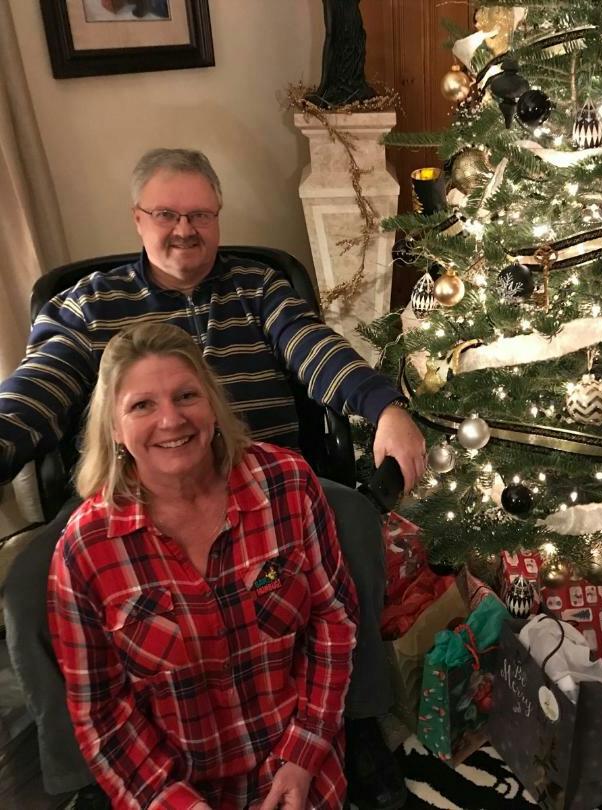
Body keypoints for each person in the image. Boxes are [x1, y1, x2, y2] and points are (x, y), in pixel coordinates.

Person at [1, 148, 425, 810]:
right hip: (130, 486)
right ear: (138, 218)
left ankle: (354, 718)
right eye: (166, 214)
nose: (185, 229)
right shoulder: (89, 303)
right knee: (29, 582)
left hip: (266, 483)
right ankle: (88, 771)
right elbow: (40, 383)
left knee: (353, 522)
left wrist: (384, 407)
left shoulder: (258, 286)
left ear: (218, 216)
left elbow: (314, 348)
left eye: (200, 214)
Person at [48, 322, 358, 809]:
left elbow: (333, 621)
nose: (171, 420)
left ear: (212, 404)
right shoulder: (85, 549)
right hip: (174, 788)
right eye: (142, 405)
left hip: (299, 760)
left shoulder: (287, 483)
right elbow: (101, 714)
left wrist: (303, 753)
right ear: (114, 428)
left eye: (186, 395)